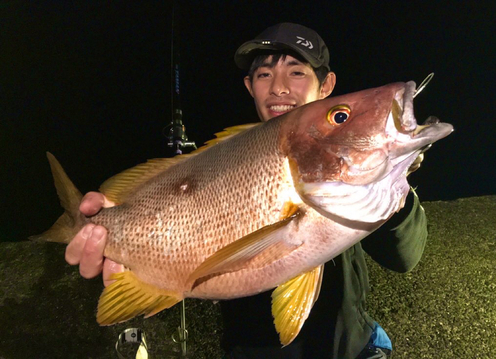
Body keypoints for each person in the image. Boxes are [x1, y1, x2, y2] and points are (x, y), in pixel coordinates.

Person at [65, 23, 428, 359]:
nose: (279, 87)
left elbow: (405, 258)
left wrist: (396, 189)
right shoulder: (226, 155)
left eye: (297, 72)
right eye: (264, 74)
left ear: (327, 85)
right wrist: (112, 223)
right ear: (249, 86)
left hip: (348, 346)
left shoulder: (350, 180)